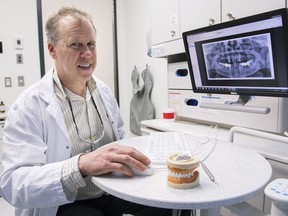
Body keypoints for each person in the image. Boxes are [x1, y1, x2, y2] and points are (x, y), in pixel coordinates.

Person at [0, 7, 191, 216]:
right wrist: (80, 165)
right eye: (76, 45)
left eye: (91, 44)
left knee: (166, 201)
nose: (88, 53)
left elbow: (120, 138)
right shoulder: (29, 106)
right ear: (52, 49)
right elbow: (13, 184)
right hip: (66, 202)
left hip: (111, 191)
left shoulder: (104, 92)